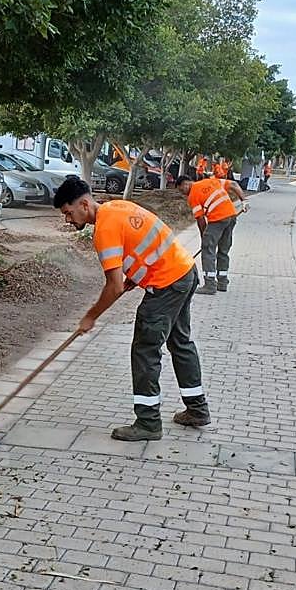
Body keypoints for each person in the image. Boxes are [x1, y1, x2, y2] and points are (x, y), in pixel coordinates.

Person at [53, 177, 210, 441]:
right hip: (184, 273)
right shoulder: (118, 207)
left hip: (166, 284)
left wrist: (91, 316)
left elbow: (112, 287)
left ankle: (148, 423)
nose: (68, 220)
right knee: (180, 342)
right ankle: (197, 409)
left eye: (68, 213)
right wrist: (135, 277)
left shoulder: (103, 230)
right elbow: (144, 245)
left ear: (84, 204)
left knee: (145, 350)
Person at [176, 174, 248, 295]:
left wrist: (204, 238)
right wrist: (244, 200)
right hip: (231, 216)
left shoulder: (193, 194)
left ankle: (209, 284)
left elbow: (200, 220)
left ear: (186, 183)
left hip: (218, 219)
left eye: (181, 190)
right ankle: (222, 283)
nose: (183, 194)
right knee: (223, 250)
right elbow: (234, 184)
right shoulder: (212, 181)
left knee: (208, 250)